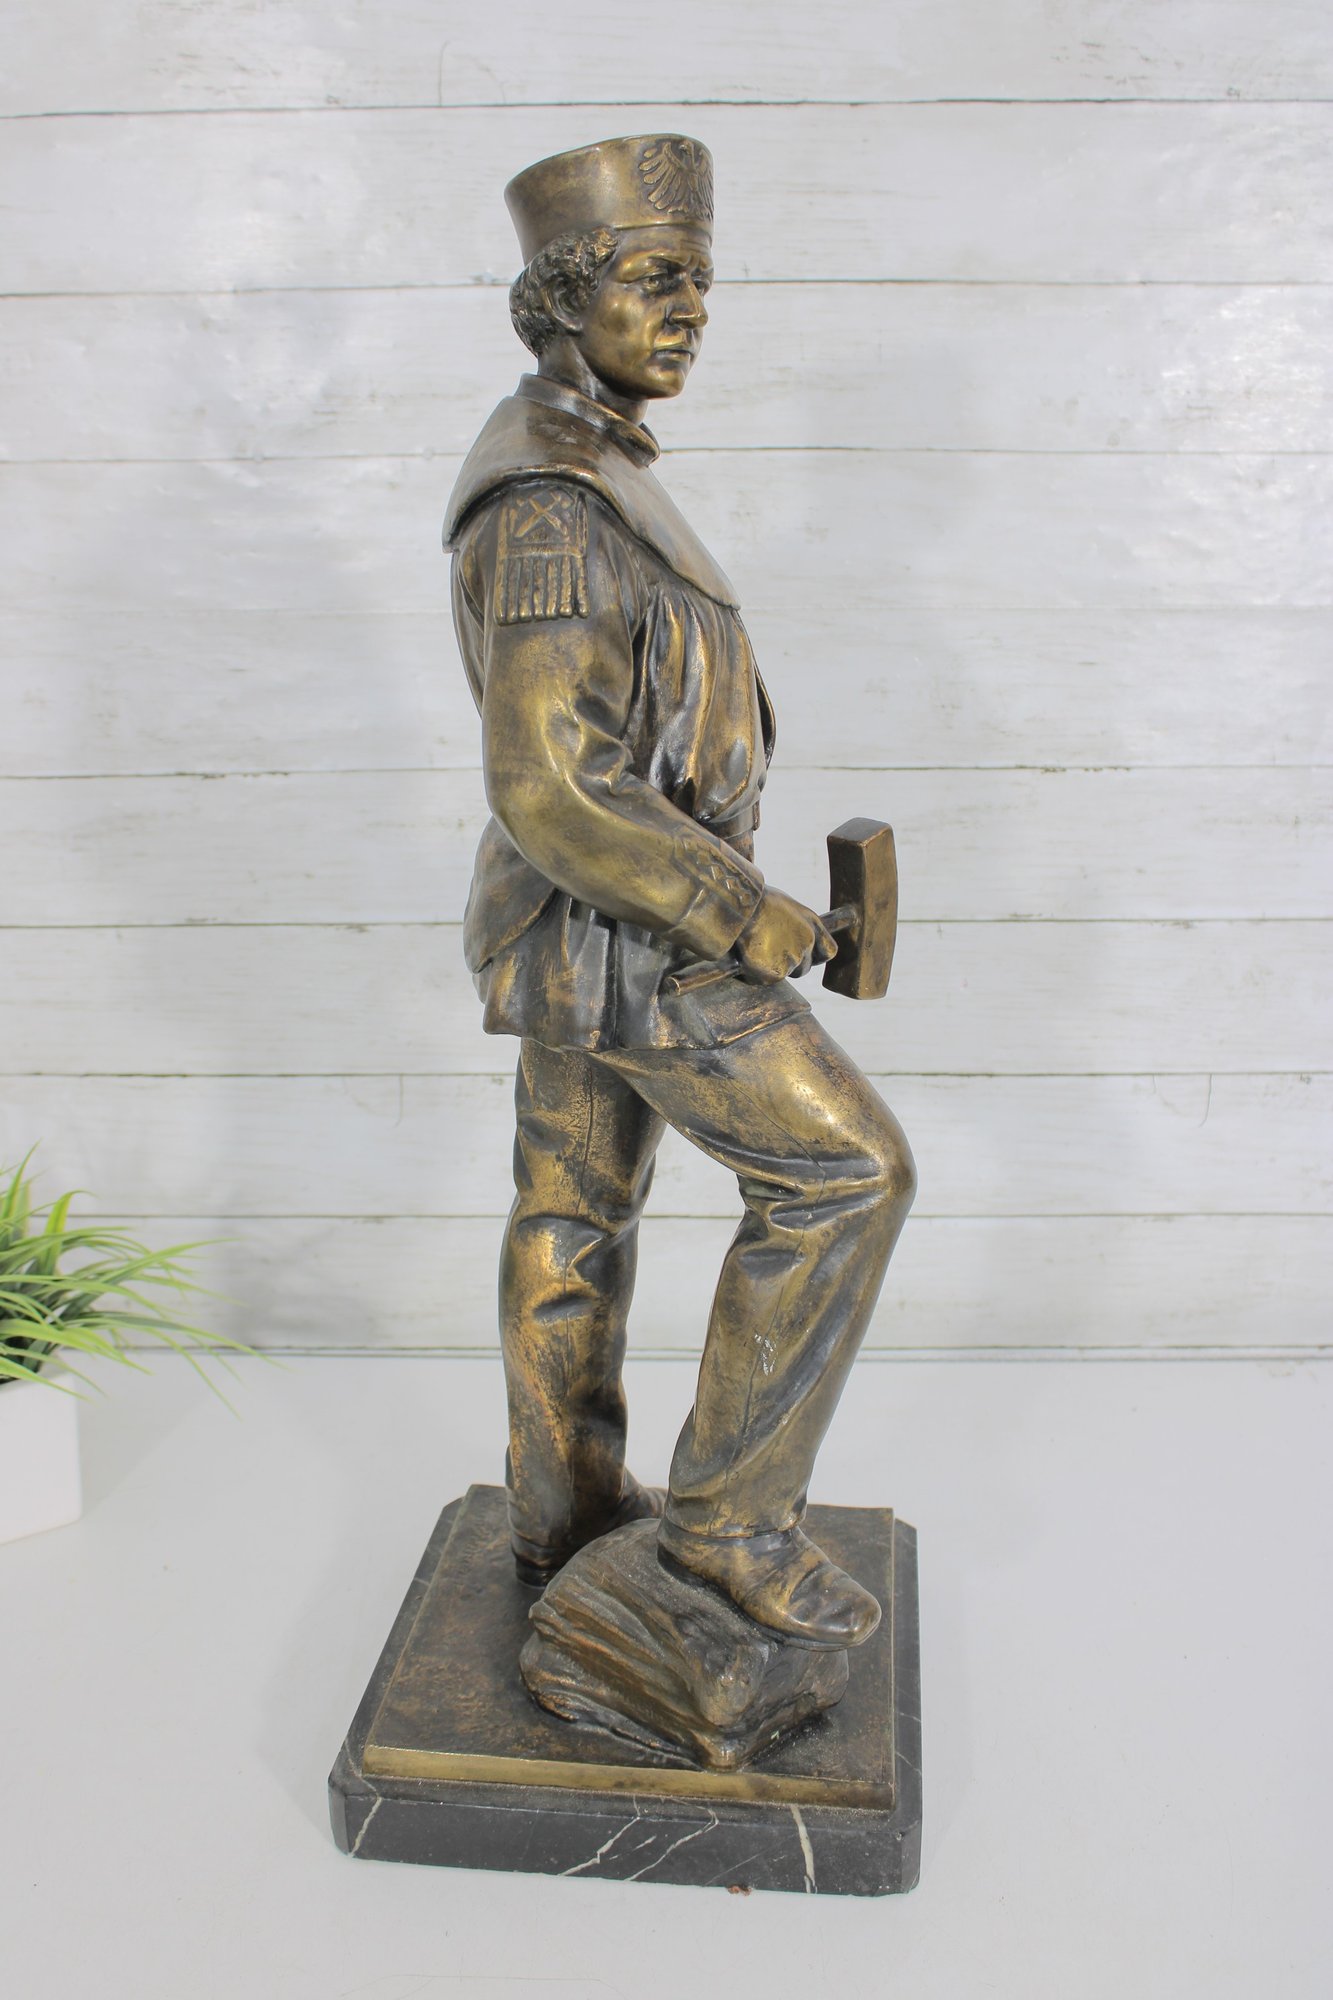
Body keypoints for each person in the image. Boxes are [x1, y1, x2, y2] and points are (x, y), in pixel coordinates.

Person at [445, 135, 915, 1651]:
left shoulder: (594, 470)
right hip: (631, 931)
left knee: (572, 1217)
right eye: (656, 278)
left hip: (596, 924)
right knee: (847, 1175)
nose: (691, 308)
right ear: (559, 298)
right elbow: (550, 782)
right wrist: (734, 906)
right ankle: (723, 1527)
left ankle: (566, 1522)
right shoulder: (550, 506)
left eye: (701, 280)